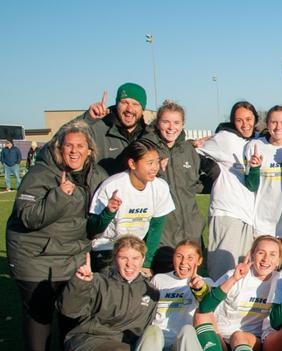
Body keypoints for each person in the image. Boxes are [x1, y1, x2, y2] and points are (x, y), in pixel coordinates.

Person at [7, 122, 108, 351]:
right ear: (59, 148)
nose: (74, 151)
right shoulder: (40, 174)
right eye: (69, 146)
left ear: (89, 150)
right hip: (35, 255)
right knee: (39, 309)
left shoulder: (96, 175)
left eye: (80, 146)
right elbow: (28, 217)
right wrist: (60, 196)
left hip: (73, 253)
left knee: (71, 307)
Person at [21, 235, 158, 351]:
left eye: (135, 258)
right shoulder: (98, 280)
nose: (130, 264)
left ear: (143, 259)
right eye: (124, 258)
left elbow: (143, 328)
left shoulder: (150, 291)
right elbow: (68, 310)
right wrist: (79, 284)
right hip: (87, 343)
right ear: (115, 257)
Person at [194, 235, 282, 351]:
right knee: (200, 315)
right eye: (261, 253)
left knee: (239, 335)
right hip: (220, 337)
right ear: (252, 254)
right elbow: (206, 307)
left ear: (279, 260)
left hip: (251, 342)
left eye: (273, 254)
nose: (266, 259)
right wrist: (234, 278)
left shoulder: (280, 280)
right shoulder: (236, 274)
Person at [130, 240, 213, 351]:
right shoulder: (160, 279)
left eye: (190, 257)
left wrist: (199, 289)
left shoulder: (205, 281)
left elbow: (208, 302)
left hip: (180, 350)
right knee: (152, 330)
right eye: (179, 256)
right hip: (155, 346)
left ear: (199, 261)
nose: (183, 262)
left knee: (188, 329)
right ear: (173, 258)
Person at [88, 139, 174, 274]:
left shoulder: (160, 187)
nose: (155, 167)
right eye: (149, 163)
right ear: (132, 163)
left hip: (136, 250)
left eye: (157, 162)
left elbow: (156, 227)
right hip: (107, 249)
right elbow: (93, 229)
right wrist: (108, 212)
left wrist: (147, 263)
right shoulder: (112, 186)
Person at [195, 101, 259, 280]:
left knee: (244, 272)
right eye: (239, 120)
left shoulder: (257, 140)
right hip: (227, 212)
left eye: (249, 119)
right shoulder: (224, 138)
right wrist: (210, 168)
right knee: (223, 274)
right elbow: (194, 152)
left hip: (249, 216)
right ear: (232, 121)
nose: (245, 124)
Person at [142, 100, 206, 273]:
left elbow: (194, 185)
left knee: (190, 290)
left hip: (191, 233)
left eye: (176, 122)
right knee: (162, 287)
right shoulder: (146, 148)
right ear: (157, 123)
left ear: (183, 124)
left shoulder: (188, 150)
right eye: (166, 122)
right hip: (163, 235)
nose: (171, 128)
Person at [44, 83, 148, 174]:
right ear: (117, 104)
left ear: (142, 109)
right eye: (124, 102)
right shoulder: (95, 129)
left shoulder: (148, 135)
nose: (129, 109)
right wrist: (87, 119)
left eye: (135, 104)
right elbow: (53, 146)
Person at [243, 106, 282, 265]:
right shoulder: (255, 146)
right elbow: (250, 185)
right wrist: (254, 169)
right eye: (274, 122)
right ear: (267, 124)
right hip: (264, 220)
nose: (278, 127)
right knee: (260, 270)